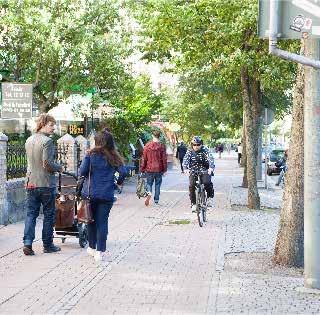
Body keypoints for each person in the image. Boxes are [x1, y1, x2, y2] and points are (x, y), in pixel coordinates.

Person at [80, 131, 127, 262]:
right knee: (102, 222)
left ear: (97, 141)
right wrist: (117, 183)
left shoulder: (90, 154)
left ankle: (91, 247)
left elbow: (82, 172)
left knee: (90, 220)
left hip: (91, 194)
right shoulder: (114, 156)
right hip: (106, 194)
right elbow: (123, 172)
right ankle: (100, 252)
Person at [23, 114, 63, 255]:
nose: (53, 128)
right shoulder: (47, 141)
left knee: (31, 214)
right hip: (45, 183)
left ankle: (27, 243)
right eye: (51, 125)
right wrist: (59, 167)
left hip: (30, 183)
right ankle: (47, 245)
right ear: (43, 124)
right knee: (48, 215)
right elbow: (47, 164)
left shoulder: (29, 140)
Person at [183, 136, 215, 212]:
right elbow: (185, 160)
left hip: (204, 169)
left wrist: (211, 168)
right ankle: (193, 203)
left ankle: (209, 198)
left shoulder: (205, 150)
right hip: (193, 170)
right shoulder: (189, 151)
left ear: (201, 144)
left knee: (207, 182)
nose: (196, 146)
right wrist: (185, 169)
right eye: (194, 145)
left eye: (198, 144)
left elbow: (210, 158)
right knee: (191, 185)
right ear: (192, 145)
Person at [140, 130, 167, 206]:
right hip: (159, 169)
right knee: (158, 185)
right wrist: (165, 170)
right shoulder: (162, 146)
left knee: (149, 183)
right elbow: (164, 159)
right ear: (159, 136)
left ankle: (149, 192)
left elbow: (144, 158)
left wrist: (142, 169)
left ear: (152, 135)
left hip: (149, 169)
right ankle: (156, 201)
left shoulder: (147, 146)